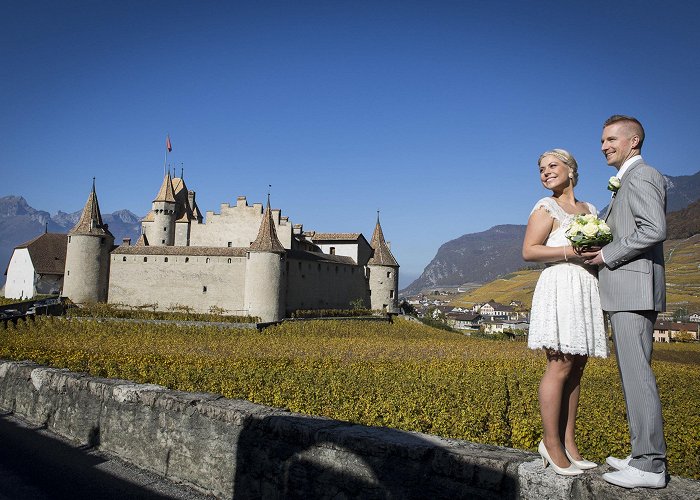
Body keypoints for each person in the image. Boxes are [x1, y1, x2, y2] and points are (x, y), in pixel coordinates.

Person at [581, 115, 667, 489]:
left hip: (633, 289)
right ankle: (640, 453)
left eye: (611, 139)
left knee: (638, 377)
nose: (603, 146)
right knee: (633, 375)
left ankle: (650, 465)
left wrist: (606, 255)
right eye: (602, 140)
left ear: (634, 142)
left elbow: (654, 229)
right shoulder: (627, 181)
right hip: (629, 291)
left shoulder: (642, 175)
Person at [523, 149, 608, 476]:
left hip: (585, 286)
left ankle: (570, 443)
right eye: (541, 168)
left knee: (577, 367)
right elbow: (529, 250)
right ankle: (551, 443)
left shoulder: (590, 209)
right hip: (560, 284)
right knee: (559, 364)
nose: (545, 172)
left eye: (552, 166)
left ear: (571, 170)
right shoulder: (546, 207)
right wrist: (570, 251)